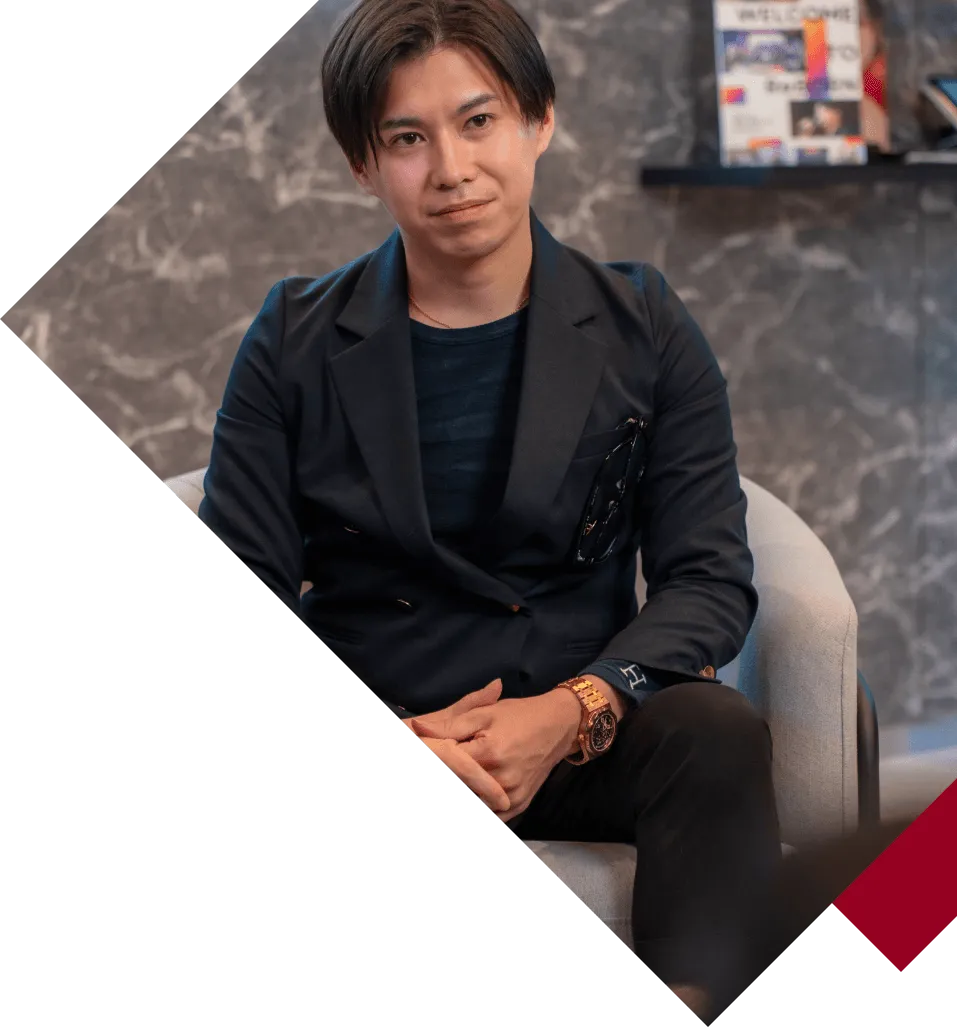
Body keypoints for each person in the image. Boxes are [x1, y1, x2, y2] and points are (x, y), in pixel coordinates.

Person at [199, 1, 781, 1018]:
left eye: (478, 122)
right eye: (407, 139)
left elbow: (708, 578)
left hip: (579, 721)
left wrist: (567, 713)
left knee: (716, 731)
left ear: (538, 120)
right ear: (362, 164)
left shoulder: (642, 323)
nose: (452, 169)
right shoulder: (293, 337)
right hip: (394, 703)